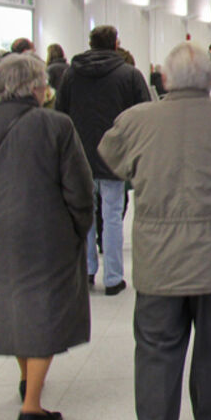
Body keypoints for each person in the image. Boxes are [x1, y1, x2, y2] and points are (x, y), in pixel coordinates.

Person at [98, 42, 211, 420]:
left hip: (158, 259)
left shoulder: (136, 119)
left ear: (164, 79)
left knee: (154, 349)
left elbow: (110, 157)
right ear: (210, 79)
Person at [0, 54, 93, 420]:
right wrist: (80, 225)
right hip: (45, 229)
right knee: (44, 306)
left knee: (11, 303)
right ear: (37, 87)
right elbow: (78, 185)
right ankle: (32, 408)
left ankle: (28, 380)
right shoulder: (56, 124)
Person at [55, 25, 150, 295]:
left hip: (79, 155)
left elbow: (61, 113)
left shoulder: (71, 74)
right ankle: (113, 277)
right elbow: (143, 113)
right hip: (115, 156)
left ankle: (87, 270)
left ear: (90, 43)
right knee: (112, 215)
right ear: (116, 43)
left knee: (84, 213)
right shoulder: (129, 75)